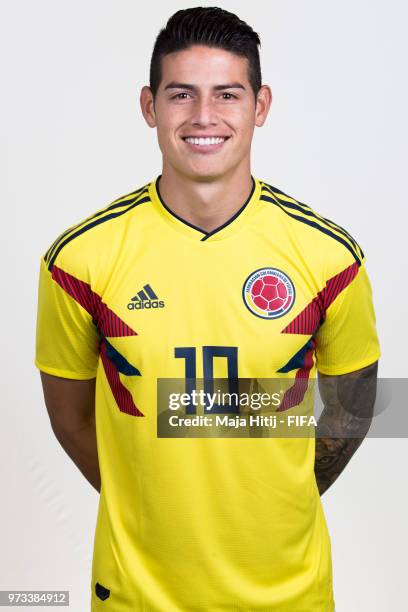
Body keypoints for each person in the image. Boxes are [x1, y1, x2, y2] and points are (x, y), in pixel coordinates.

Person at [34, 7, 381, 611]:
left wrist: (276, 495)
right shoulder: (78, 261)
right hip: (137, 596)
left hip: (290, 596)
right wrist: (152, 500)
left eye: (227, 94)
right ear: (149, 106)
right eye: (180, 95)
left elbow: (354, 407)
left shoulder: (330, 257)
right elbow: (72, 422)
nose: (203, 117)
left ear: (261, 106)